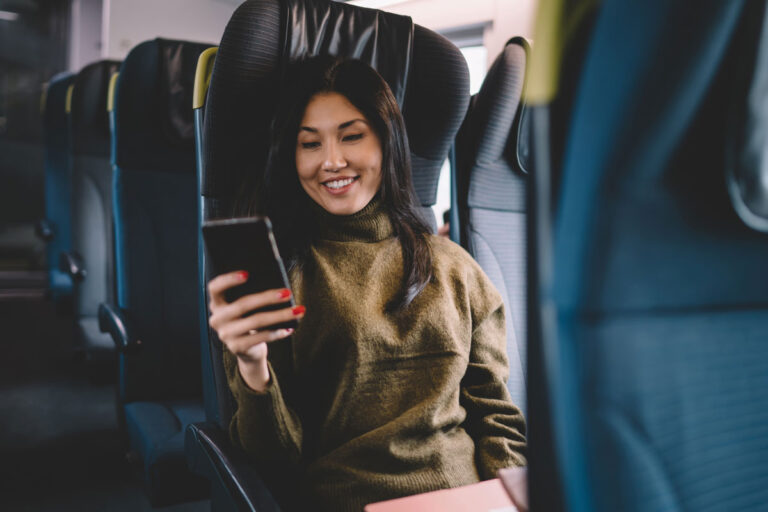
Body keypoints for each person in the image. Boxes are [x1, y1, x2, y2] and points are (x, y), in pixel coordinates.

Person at [207, 56, 526, 512]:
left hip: (468, 497)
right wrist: (251, 366)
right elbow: (274, 462)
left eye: (352, 136)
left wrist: (511, 495)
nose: (332, 161)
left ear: (387, 141)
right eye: (309, 144)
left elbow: (495, 417)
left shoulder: (456, 268)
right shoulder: (281, 277)